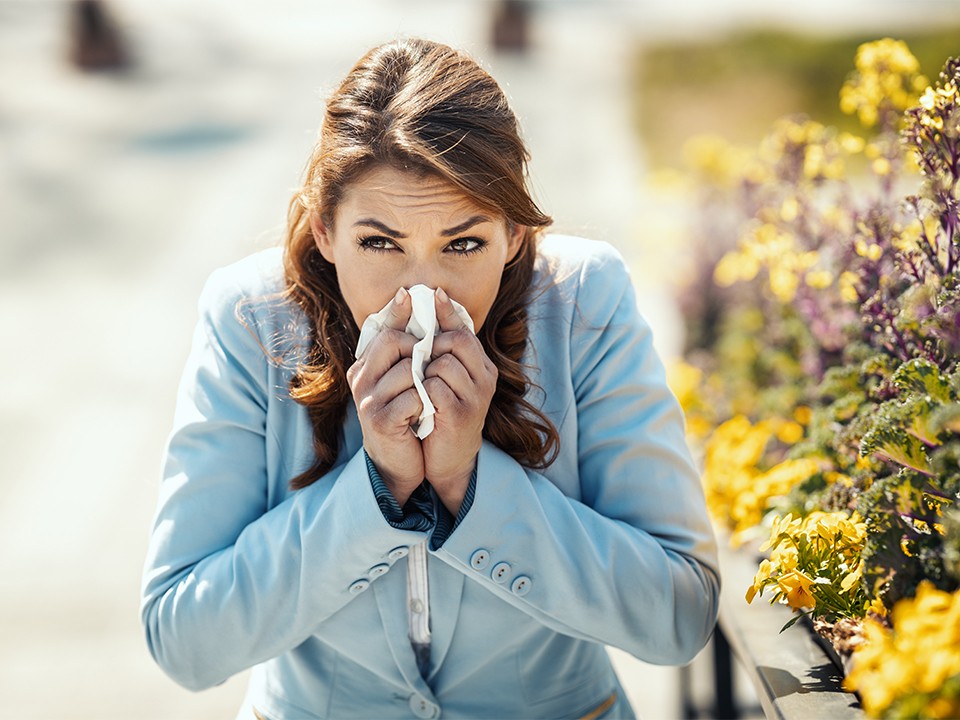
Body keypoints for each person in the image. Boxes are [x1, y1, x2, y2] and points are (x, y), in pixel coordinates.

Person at [140, 38, 720, 720]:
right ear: (326, 231)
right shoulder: (252, 316)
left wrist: (469, 484)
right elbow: (182, 639)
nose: (421, 290)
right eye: (380, 243)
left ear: (510, 233)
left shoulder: (583, 301)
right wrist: (375, 489)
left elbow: (679, 614)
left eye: (464, 244)